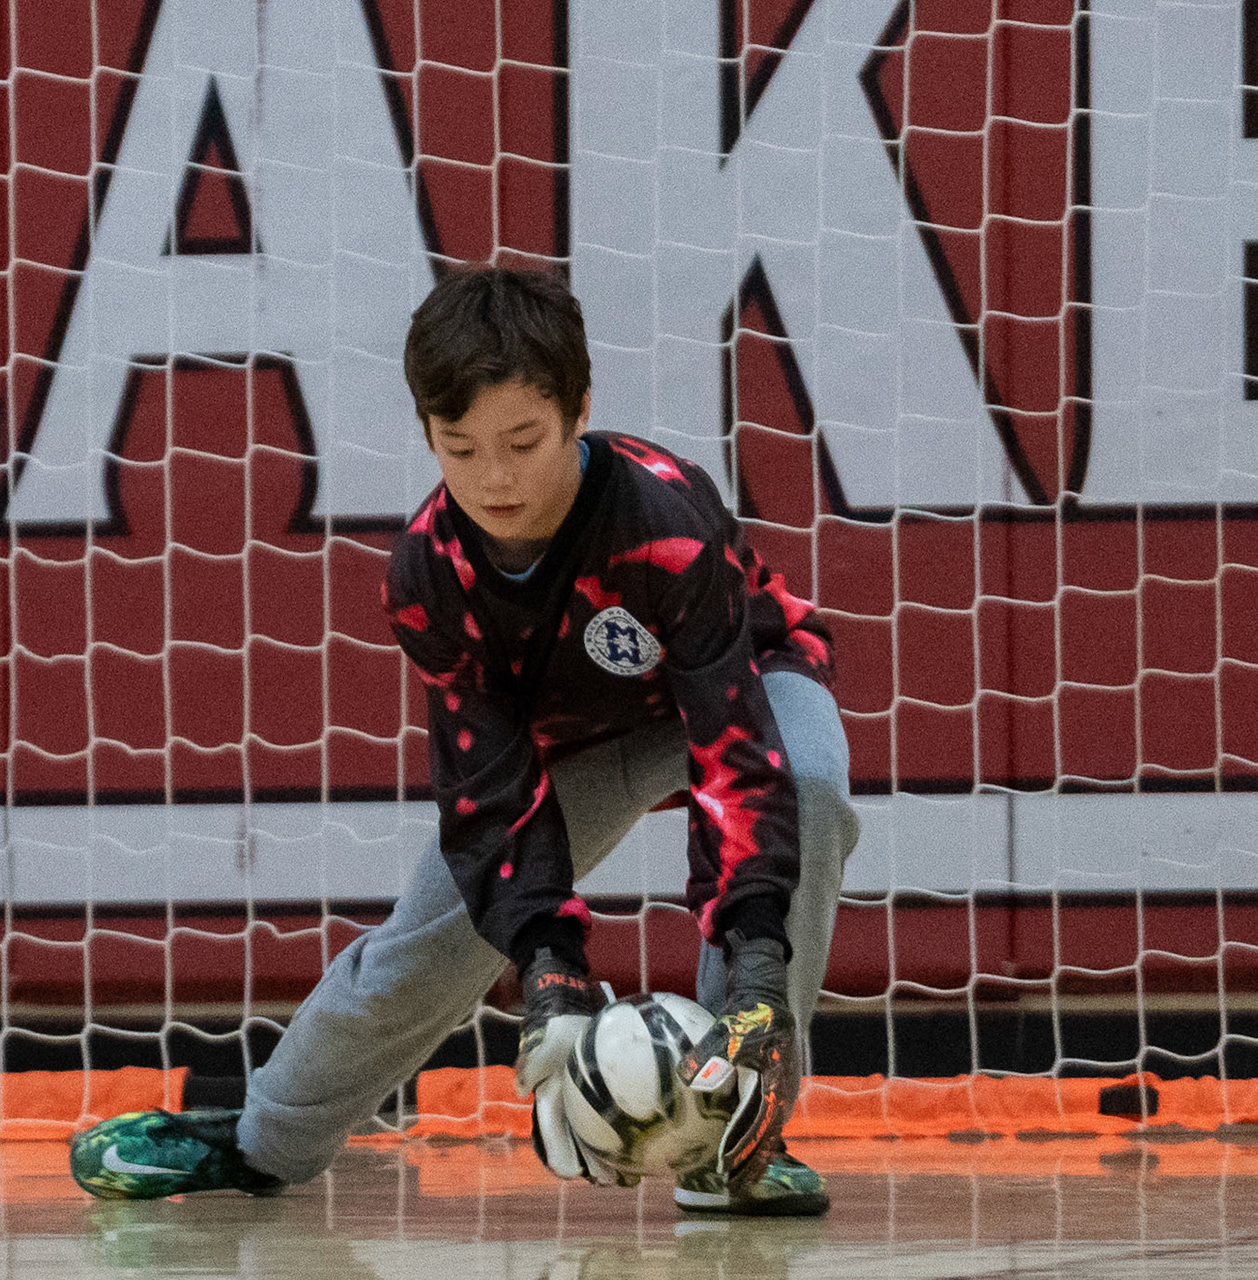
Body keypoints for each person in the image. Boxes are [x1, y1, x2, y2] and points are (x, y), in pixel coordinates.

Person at [68, 266, 860, 1215]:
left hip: (741, 687)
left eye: (523, 442)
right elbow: (490, 794)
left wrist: (757, 963)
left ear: (579, 412)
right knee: (433, 938)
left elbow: (735, 751)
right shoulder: (426, 575)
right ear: (427, 435)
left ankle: (738, 1141)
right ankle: (260, 1143)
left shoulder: (665, 522)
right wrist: (551, 967)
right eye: (461, 448)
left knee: (809, 785)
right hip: (569, 741)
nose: (496, 478)